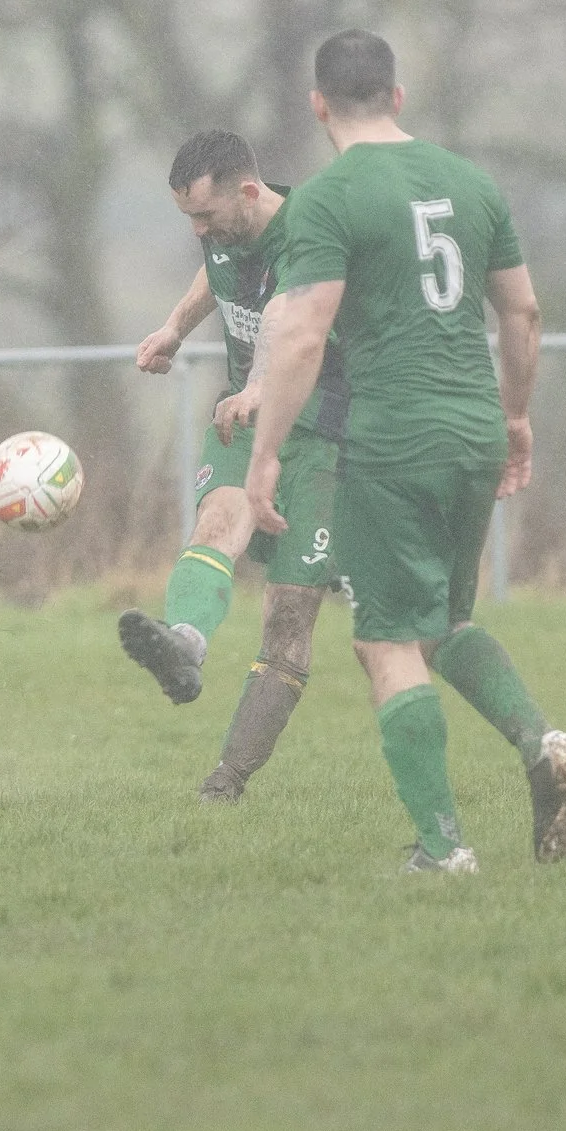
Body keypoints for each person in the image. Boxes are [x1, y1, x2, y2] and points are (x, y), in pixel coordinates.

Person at [245, 30, 566, 873]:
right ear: (397, 98)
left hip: (391, 440)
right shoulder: (471, 184)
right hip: (473, 427)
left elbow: (301, 334)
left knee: (385, 641)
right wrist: (515, 417)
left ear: (319, 104)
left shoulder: (327, 200)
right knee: (445, 623)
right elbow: (524, 314)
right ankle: (540, 742)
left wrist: (263, 457)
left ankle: (443, 848)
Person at [122, 132, 347, 800]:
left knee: (288, 615)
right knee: (218, 518)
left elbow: (289, 321)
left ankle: (231, 776)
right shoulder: (223, 228)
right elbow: (214, 269)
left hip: (324, 437)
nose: (197, 230)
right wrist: (174, 327)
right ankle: (186, 643)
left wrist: (260, 387)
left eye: (205, 216)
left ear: (248, 193)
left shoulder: (314, 234)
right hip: (244, 421)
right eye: (187, 218)